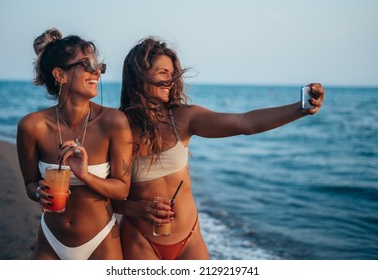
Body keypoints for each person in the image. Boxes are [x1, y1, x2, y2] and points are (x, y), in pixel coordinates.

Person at [113, 37, 325, 260]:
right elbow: (97, 194)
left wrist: (300, 109)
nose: (171, 80)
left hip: (189, 241)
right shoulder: (117, 126)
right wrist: (134, 209)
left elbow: (245, 122)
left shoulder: (184, 118)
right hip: (141, 241)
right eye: (163, 73)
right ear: (139, 74)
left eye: (173, 74)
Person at [16, 28, 132, 260]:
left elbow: (122, 189)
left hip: (102, 241)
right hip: (50, 240)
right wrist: (40, 193)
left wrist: (86, 175)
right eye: (87, 64)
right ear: (60, 75)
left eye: (99, 66)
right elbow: (30, 184)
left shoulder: (113, 121)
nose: (97, 71)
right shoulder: (32, 126)